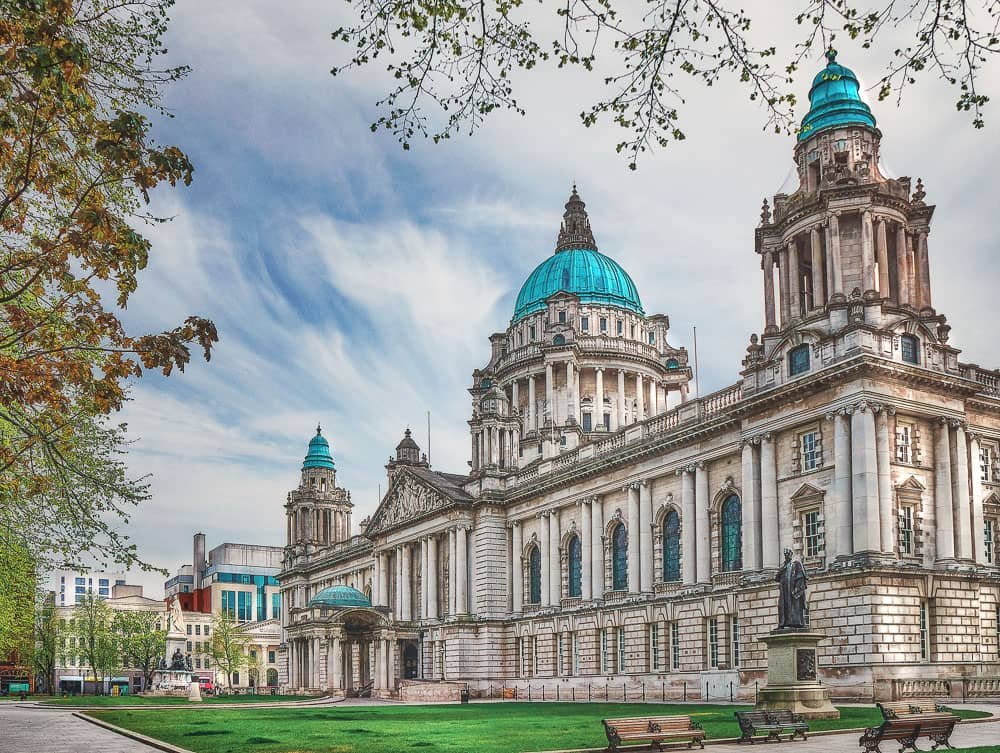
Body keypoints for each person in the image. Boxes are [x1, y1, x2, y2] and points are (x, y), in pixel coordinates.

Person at [776, 548, 807, 630]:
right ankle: (783, 623)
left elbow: (800, 576)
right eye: (785, 554)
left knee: (794, 607)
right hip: (784, 591)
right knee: (783, 607)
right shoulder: (783, 566)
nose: (786, 556)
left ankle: (796, 623)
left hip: (793, 591)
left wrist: (797, 588)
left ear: (791, 554)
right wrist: (781, 569)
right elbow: (776, 578)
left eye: (788, 554)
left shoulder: (796, 564)